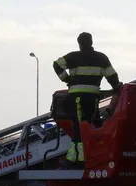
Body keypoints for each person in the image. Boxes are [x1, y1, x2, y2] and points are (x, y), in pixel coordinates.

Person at [52, 32, 123, 167]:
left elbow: (56, 64)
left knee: (79, 127)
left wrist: (67, 79)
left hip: (76, 98)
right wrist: (117, 87)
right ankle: (90, 155)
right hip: (92, 98)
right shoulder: (101, 58)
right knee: (92, 125)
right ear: (91, 42)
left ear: (79, 43)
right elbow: (112, 76)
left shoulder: (73, 57)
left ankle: (79, 159)